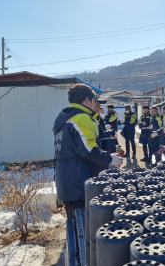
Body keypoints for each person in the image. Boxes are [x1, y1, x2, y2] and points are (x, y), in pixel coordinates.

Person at [53, 83, 123, 219]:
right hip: (79, 183)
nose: (93, 105)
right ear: (87, 100)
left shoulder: (63, 118)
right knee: (83, 226)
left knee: (74, 225)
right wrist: (110, 159)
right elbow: (89, 151)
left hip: (66, 181)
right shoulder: (82, 118)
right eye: (92, 101)